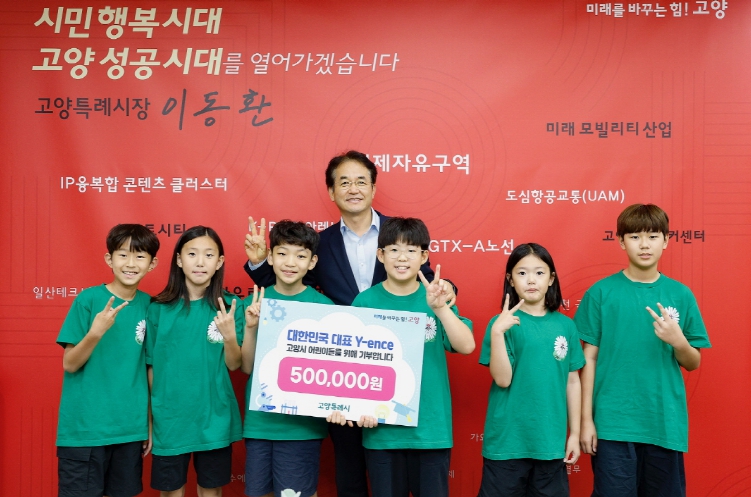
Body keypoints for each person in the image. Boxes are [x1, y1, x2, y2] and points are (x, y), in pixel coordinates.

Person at [243, 150, 455, 497]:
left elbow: (427, 280)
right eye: (344, 182)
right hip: (338, 370)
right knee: (349, 467)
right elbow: (288, 288)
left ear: (373, 188)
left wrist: (449, 291)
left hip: (392, 368)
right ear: (331, 191)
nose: (353, 189)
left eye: (361, 181)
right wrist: (259, 264)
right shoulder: (321, 242)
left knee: (393, 471)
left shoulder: (399, 235)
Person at [575, 204, 711, 497]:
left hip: (663, 422)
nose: (644, 244)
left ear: (666, 240)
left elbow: (693, 362)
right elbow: (589, 358)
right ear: (621, 241)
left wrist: (678, 341)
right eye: (635, 237)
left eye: (652, 236)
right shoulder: (601, 293)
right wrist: (586, 421)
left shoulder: (681, 294)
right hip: (612, 423)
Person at [333, 217, 473, 497]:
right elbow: (351, 366)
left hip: (430, 431)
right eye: (394, 250)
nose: (402, 257)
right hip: (383, 433)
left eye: (411, 250)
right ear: (380, 255)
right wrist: (353, 407)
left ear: (424, 256)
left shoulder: (436, 297)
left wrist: (440, 308)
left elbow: (466, 346)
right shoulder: (365, 302)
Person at [55, 224, 159, 497]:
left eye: (140, 256)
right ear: (109, 259)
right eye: (123, 255)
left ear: (152, 264)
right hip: (85, 430)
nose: (130, 264)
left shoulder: (150, 307)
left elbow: (150, 368)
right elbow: (70, 363)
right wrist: (95, 333)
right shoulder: (88, 300)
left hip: (129, 429)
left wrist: (148, 424)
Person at [477, 243, 584, 497]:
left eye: (539, 272)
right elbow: (503, 380)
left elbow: (572, 382)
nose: (531, 280)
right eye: (522, 273)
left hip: (550, 444)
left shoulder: (566, 326)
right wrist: (497, 333)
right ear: (510, 280)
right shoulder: (500, 324)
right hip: (506, 444)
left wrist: (575, 434)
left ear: (551, 279)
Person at [146, 226, 245, 497]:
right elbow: (151, 367)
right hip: (170, 419)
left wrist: (229, 335)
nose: (200, 262)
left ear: (219, 262)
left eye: (209, 255)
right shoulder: (158, 309)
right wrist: (152, 418)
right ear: (179, 260)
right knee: (171, 491)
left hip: (214, 417)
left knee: (211, 490)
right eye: (192, 254)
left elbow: (235, 364)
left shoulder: (231, 306)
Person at [241, 220, 334, 497]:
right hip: (259, 423)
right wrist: (251, 328)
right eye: (282, 254)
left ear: (312, 262)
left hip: (302, 428)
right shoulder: (254, 303)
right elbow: (246, 366)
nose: (290, 263)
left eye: (300, 256)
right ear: (269, 257)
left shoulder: (326, 309)